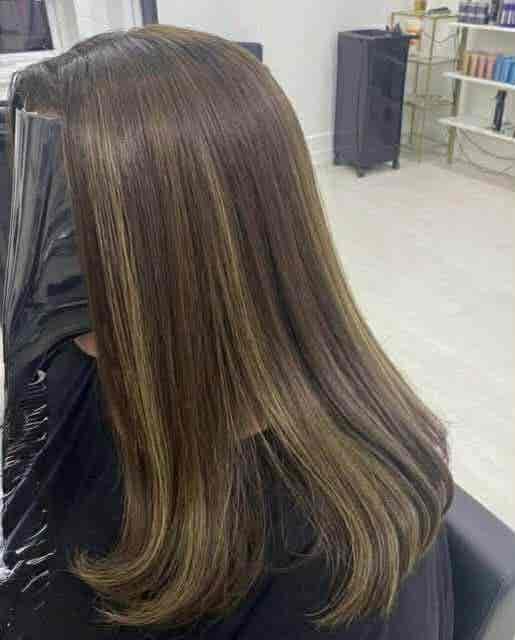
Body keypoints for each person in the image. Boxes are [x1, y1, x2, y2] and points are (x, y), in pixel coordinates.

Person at [1, 25, 454, 638]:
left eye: (71, 236)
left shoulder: (329, 549)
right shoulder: (71, 369)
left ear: (177, 256)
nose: (52, 275)